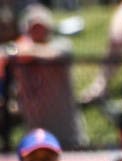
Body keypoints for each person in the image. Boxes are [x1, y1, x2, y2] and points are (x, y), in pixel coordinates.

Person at [8, 4, 88, 149]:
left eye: (41, 26)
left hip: (68, 137)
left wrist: (22, 50)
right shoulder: (17, 55)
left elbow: (52, 54)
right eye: (33, 27)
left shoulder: (62, 45)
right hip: (36, 140)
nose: (38, 30)